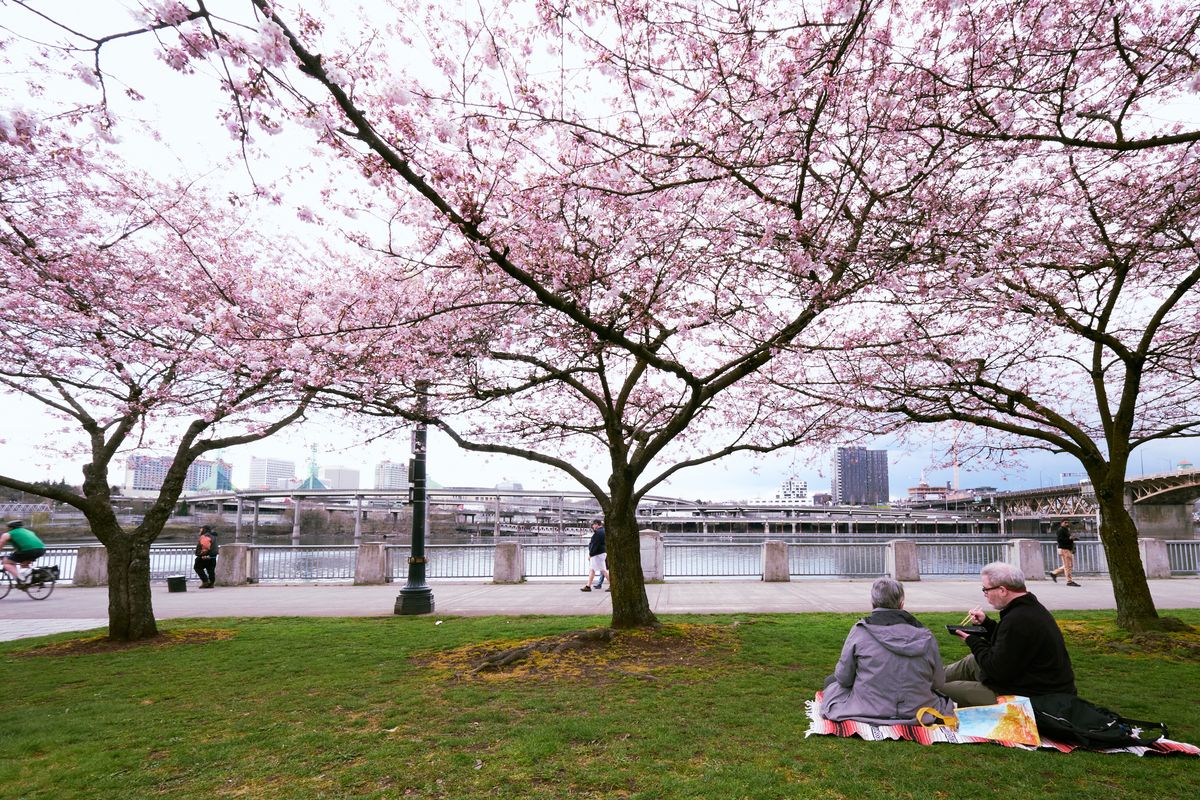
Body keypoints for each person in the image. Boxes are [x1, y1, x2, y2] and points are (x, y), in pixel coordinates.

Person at [819, 577, 955, 724]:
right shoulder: (926, 636)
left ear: (873, 602)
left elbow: (844, 678)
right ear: (901, 603)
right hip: (916, 709)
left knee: (831, 682)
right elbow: (938, 683)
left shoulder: (860, 631)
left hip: (867, 708)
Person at [943, 562, 1076, 707]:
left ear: (1002, 590)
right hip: (1025, 679)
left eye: (985, 589)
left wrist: (972, 641)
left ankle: (926, 689)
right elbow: (1012, 644)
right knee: (972, 661)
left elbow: (996, 669)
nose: (985, 594)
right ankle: (923, 678)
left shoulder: (1018, 619)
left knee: (942, 691)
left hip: (1033, 696)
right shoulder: (1028, 608)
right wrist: (987, 624)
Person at [1, 520, 46, 591]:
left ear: (10, 527)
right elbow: (25, 543)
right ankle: (28, 581)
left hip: (28, 550)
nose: (6, 529)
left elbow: (1, 543)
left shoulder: (8, 534)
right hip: (41, 549)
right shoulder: (29, 531)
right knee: (24, 564)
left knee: (6, 563)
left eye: (7, 527)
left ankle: (21, 578)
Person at [1046, 520, 1080, 586]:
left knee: (1069, 565)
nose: (1067, 523)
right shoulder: (1061, 530)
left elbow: (1067, 539)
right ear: (1061, 523)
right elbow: (1060, 540)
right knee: (1068, 566)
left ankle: (1054, 573)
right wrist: (1070, 538)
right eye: (1065, 522)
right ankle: (1069, 581)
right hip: (1064, 549)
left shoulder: (1066, 530)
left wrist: (1073, 538)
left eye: (1067, 522)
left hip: (1067, 549)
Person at [581, 519, 609, 592]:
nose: (592, 526)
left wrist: (590, 554)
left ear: (597, 524)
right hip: (602, 553)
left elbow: (594, 545)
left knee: (602, 570)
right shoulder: (604, 531)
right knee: (594, 569)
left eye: (593, 525)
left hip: (597, 554)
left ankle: (612, 585)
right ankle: (588, 586)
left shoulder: (598, 533)